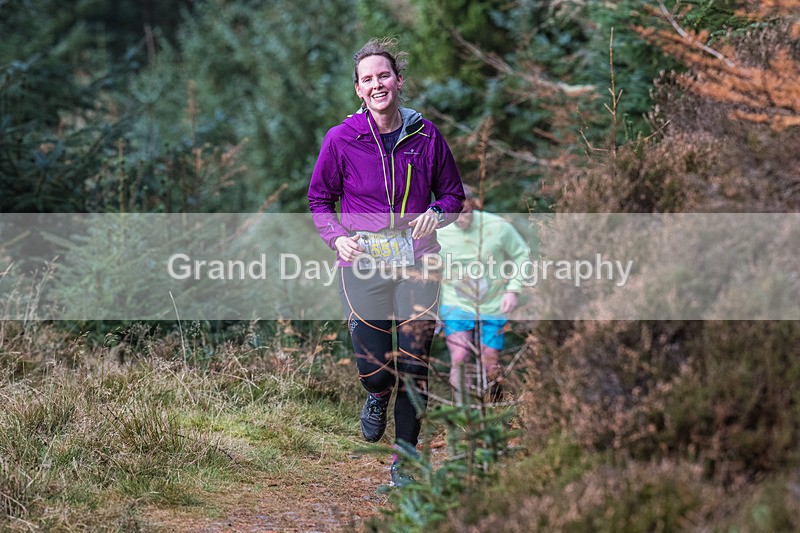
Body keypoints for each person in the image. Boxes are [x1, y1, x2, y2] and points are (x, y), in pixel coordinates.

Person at [308, 37, 464, 486]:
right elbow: (320, 201)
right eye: (368, 79)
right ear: (359, 89)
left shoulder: (426, 135)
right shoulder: (342, 139)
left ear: (399, 80)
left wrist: (437, 213)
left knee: (414, 363)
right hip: (363, 262)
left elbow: (452, 195)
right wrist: (338, 239)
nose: (378, 84)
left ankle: (406, 460)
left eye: (384, 76)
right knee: (376, 369)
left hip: (419, 260)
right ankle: (376, 394)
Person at [436, 186, 529, 404]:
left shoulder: (497, 226)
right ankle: (463, 413)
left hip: (492, 304)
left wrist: (513, 290)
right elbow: (426, 271)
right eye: (454, 214)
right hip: (455, 305)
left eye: (465, 212)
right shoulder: (438, 232)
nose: (460, 218)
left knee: (490, 363)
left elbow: (522, 254)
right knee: (459, 359)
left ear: (474, 205)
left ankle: (494, 408)